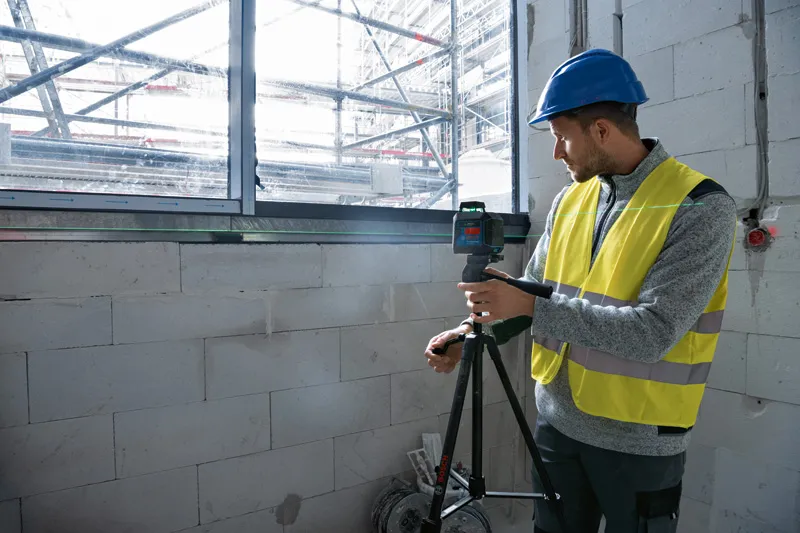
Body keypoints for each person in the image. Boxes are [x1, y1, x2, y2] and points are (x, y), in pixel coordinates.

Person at [424, 49, 737, 533]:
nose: (557, 153)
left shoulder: (699, 206)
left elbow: (653, 333)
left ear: (601, 131)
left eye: (561, 137)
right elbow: (533, 294)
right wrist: (472, 331)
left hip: (638, 441)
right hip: (557, 425)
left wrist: (527, 302)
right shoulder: (572, 199)